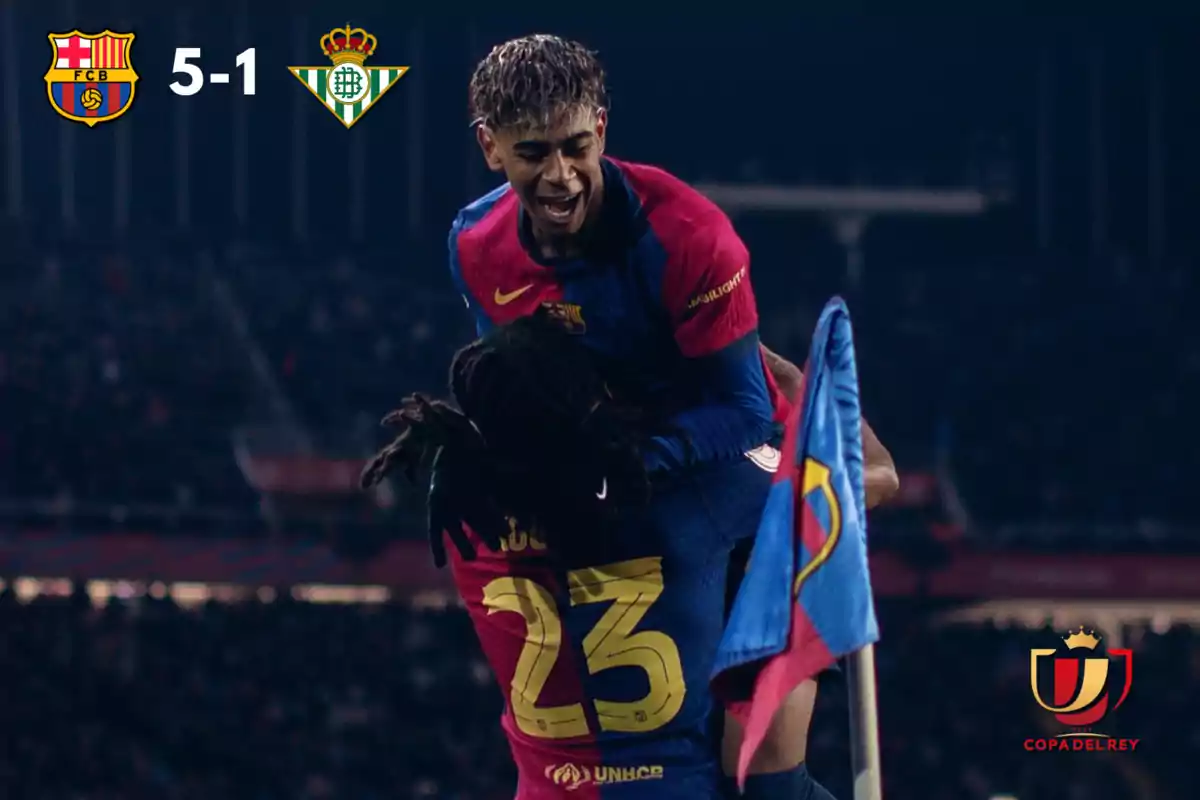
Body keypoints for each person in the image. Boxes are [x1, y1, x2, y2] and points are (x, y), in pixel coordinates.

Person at [444, 33, 899, 798]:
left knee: (826, 501)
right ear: (491, 148)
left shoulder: (689, 236)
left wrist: (626, 466)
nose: (558, 175)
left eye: (574, 147)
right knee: (857, 489)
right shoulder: (474, 244)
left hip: (691, 446)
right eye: (532, 154)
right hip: (642, 487)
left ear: (602, 128)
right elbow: (512, 384)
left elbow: (743, 412)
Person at [363, 311, 782, 798]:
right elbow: (832, 475)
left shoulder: (469, 526)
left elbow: (495, 455)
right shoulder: (695, 496)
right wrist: (782, 383)